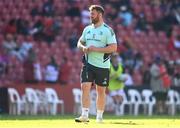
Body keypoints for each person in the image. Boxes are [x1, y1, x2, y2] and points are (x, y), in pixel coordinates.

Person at [75, 5, 117, 123]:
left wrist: (95, 49)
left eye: (93, 14)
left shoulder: (108, 30)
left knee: (101, 91)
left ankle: (99, 116)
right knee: (85, 87)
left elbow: (113, 48)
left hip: (103, 66)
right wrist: (83, 48)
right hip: (88, 64)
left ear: (100, 14)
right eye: (90, 14)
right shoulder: (87, 29)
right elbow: (79, 42)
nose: (90, 16)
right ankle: (84, 115)